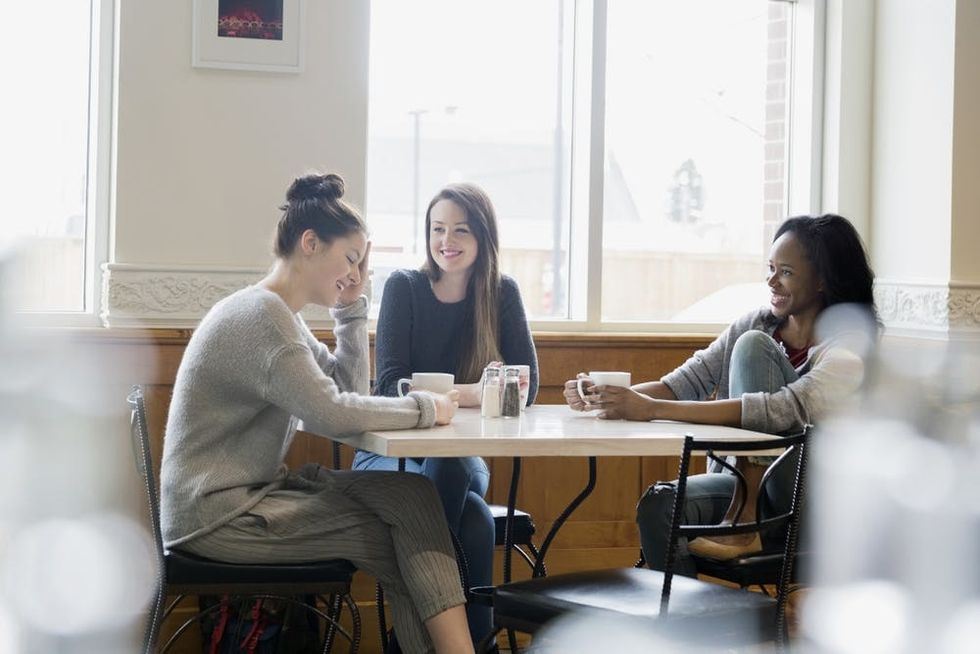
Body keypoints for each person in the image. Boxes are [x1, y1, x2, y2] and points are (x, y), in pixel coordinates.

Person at [159, 172, 475, 654]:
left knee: (413, 495)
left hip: (246, 496)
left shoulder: (278, 316)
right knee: (399, 543)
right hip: (219, 517)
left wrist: (350, 310)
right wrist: (424, 408)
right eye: (350, 259)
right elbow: (333, 413)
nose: (355, 272)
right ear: (310, 243)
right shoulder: (261, 319)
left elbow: (347, 391)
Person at [563, 214, 877, 576]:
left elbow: (784, 410)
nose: (772, 281)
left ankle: (744, 520)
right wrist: (607, 398)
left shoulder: (853, 346)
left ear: (822, 279)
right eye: (770, 268)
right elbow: (680, 384)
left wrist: (651, 409)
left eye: (786, 272)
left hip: (813, 501)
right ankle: (690, 627)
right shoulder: (757, 322)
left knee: (753, 349)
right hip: (746, 488)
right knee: (659, 505)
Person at [355, 182, 539, 643]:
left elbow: (527, 384)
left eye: (459, 230)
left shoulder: (502, 293)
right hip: (388, 454)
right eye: (438, 229)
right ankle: (473, 645)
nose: (446, 241)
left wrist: (465, 393)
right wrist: (476, 393)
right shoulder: (405, 287)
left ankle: (412, 639)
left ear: (483, 238)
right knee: (474, 521)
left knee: (453, 469)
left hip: (459, 455)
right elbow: (389, 385)